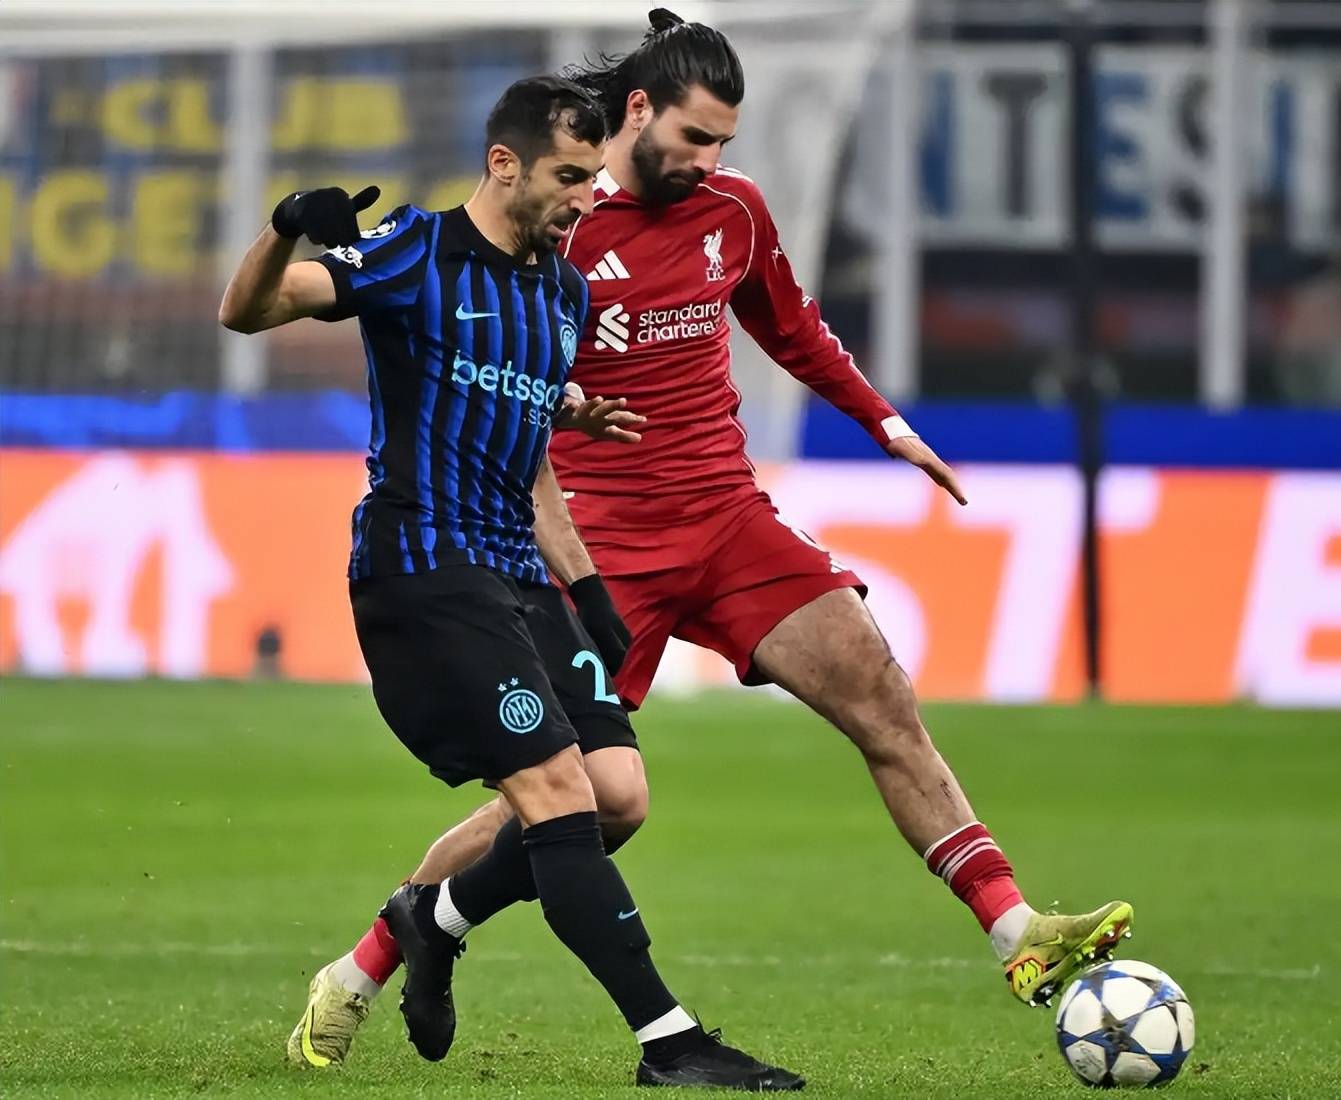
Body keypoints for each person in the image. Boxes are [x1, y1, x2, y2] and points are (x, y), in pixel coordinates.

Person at [288, 10, 1133, 1068]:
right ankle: (379, 951)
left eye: (724, 142)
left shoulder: (734, 212)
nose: (709, 160)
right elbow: (484, 364)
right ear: (637, 110)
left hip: (729, 519)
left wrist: (885, 423)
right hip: (599, 540)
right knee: (584, 802)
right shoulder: (558, 219)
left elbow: (792, 326)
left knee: (879, 690)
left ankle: (1015, 930)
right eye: (694, 137)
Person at [220, 73, 802, 1091]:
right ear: (504, 164)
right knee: (556, 794)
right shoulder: (414, 252)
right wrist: (284, 229)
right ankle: (670, 1042)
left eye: (593, 176)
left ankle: (431, 917)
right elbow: (246, 310)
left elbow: (527, 458)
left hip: (520, 574)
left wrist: (589, 591)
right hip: (424, 572)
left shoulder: (561, 293)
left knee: (617, 796)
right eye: (570, 177)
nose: (587, 198)